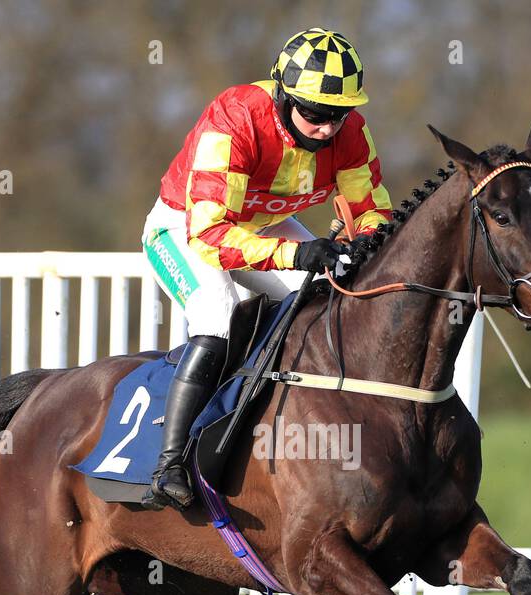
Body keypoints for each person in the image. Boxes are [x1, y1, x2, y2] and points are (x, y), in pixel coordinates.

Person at [139, 27, 394, 511]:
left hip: (263, 225)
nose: (327, 130)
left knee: (330, 300)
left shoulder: (351, 134)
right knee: (218, 315)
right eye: (315, 115)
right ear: (282, 95)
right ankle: (169, 463)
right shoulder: (235, 118)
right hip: (185, 229)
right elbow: (211, 237)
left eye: (338, 116)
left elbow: (372, 212)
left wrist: (363, 244)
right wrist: (298, 254)